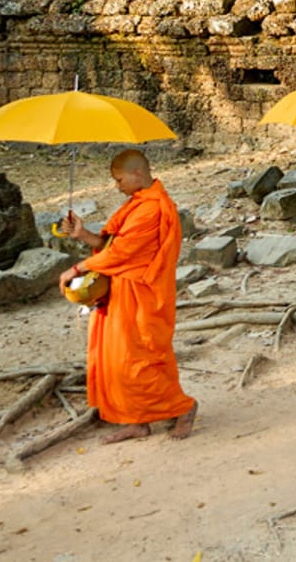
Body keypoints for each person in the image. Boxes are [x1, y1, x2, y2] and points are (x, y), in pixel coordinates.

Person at [56, 149, 197, 444]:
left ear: (137, 174)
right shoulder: (136, 204)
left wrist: (77, 268)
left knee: (141, 359)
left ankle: (183, 408)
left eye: (119, 180)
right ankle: (137, 420)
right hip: (122, 293)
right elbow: (110, 244)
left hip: (143, 295)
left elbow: (121, 253)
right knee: (119, 358)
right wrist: (82, 234)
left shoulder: (152, 208)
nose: (116, 186)